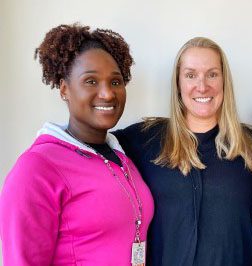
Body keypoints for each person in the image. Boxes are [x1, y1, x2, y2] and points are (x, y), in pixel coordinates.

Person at [0, 24, 154, 265]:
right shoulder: (37, 167)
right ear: (64, 89)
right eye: (91, 81)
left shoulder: (122, 157)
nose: (107, 93)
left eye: (115, 82)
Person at [114, 37, 252, 266]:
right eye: (191, 75)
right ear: (178, 83)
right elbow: (88, 146)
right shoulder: (144, 139)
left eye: (212, 74)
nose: (202, 86)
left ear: (224, 81)